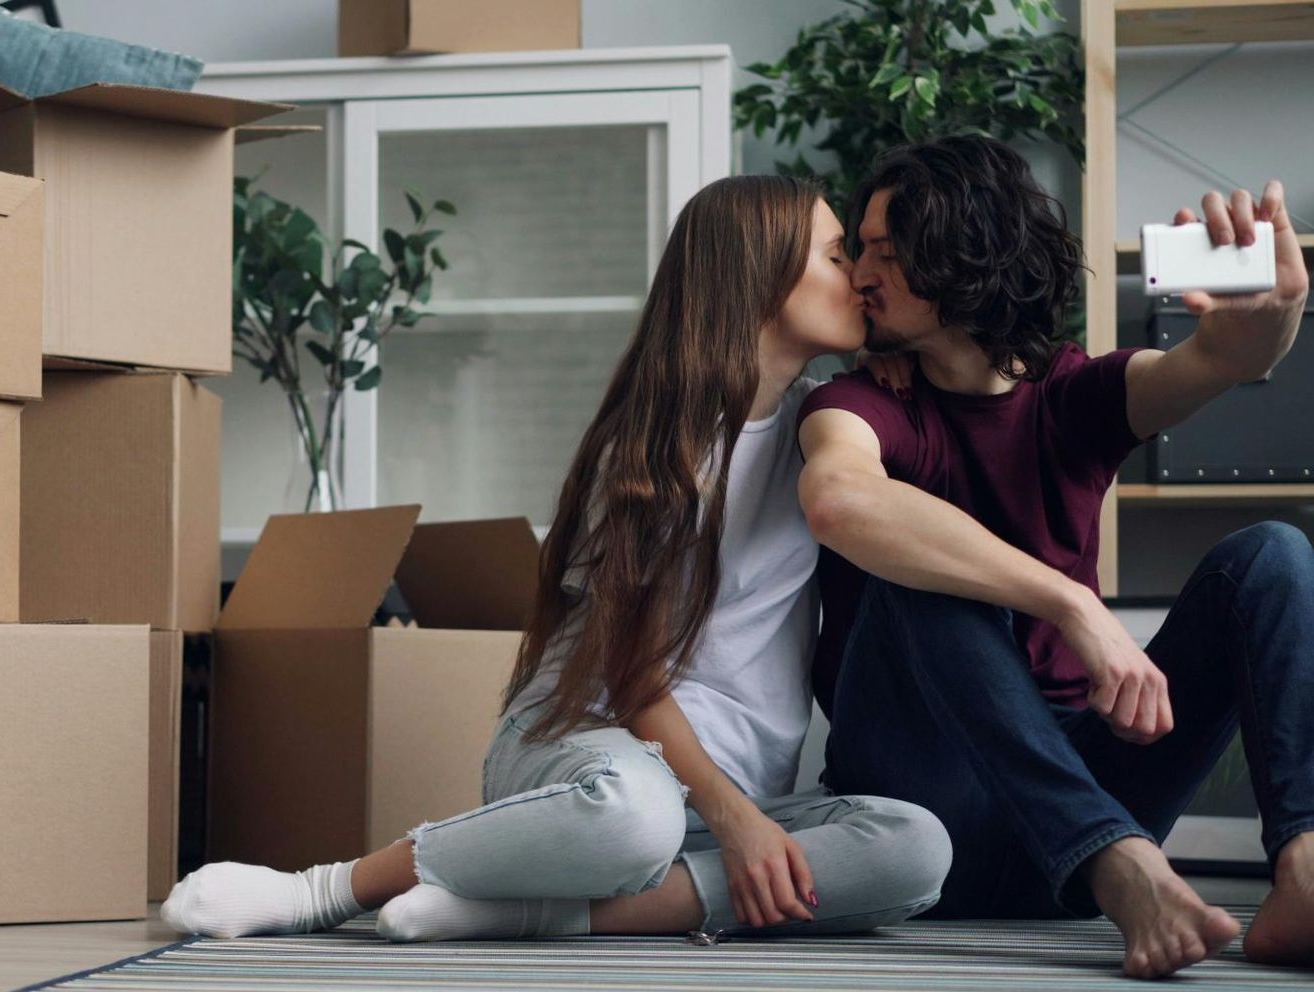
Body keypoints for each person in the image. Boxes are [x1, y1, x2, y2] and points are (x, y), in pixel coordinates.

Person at [161, 175, 952, 944]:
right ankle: (326, 888)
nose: (860, 276)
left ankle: (526, 914)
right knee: (633, 816)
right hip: (588, 754)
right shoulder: (651, 450)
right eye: (837, 255)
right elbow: (631, 669)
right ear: (762, 273)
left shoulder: (827, 425)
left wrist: (895, 366)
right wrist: (733, 817)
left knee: (916, 845)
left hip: (720, 808)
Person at [796, 134, 1314, 979]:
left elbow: (1219, 358)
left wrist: (1267, 320)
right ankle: (1123, 864)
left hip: (1078, 788)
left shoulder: (1074, 395)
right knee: (921, 563)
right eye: (858, 249)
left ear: (964, 249)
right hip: (931, 815)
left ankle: (1304, 869)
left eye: (887, 252)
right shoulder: (857, 400)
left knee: (1273, 556)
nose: (859, 272)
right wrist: (1071, 605)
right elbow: (841, 498)